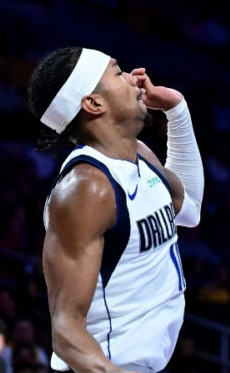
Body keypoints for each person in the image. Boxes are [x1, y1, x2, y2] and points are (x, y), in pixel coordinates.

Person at [26, 47, 205, 372]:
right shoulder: (86, 189)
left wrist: (177, 110)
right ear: (94, 103)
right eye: (118, 71)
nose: (135, 79)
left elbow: (189, 209)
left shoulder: (138, 156)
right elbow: (66, 331)